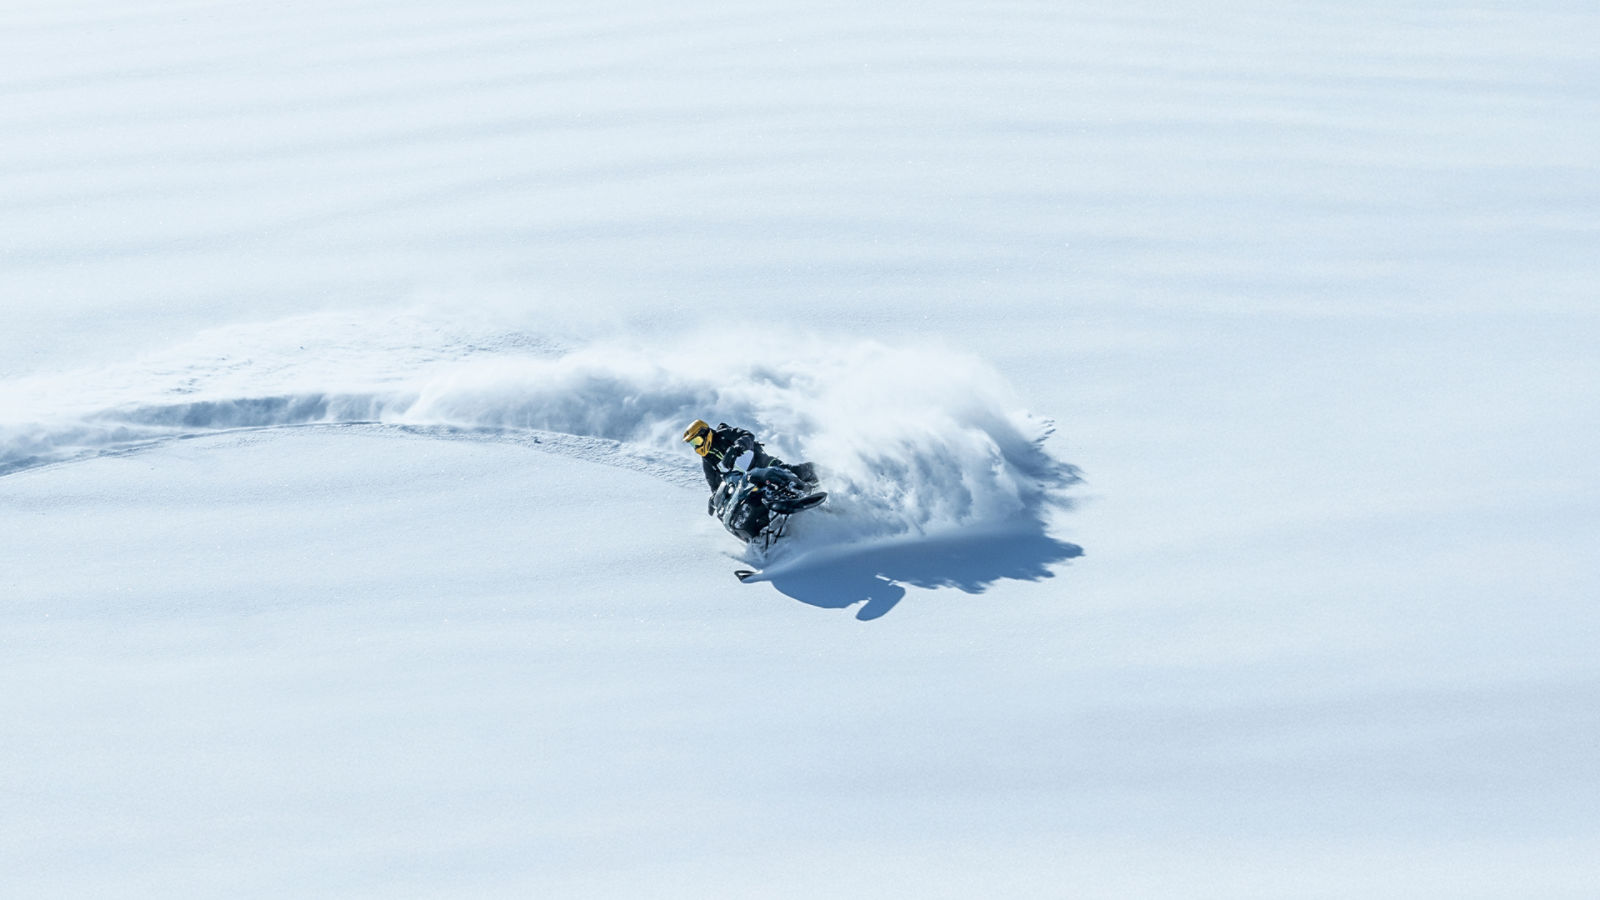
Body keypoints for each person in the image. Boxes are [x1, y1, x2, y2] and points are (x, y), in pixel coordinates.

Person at [681, 419, 816, 492]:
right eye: (693, 444)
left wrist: (737, 447)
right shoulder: (707, 461)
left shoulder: (723, 433)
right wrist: (715, 498)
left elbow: (747, 435)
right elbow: (713, 483)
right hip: (747, 480)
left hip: (759, 460)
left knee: (790, 472)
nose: (697, 447)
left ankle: (820, 473)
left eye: (697, 441)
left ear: (705, 433)